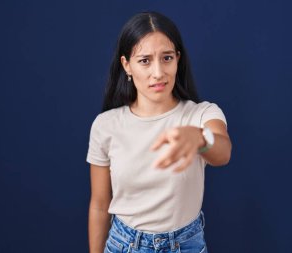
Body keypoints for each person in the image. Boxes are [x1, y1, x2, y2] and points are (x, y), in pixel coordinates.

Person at [87, 11, 232, 253]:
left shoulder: (201, 114)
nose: (158, 72)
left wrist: (199, 138)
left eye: (166, 58)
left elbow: (223, 151)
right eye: (145, 60)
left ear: (177, 59)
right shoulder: (106, 125)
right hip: (124, 245)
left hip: (186, 245)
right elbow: (100, 205)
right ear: (127, 65)